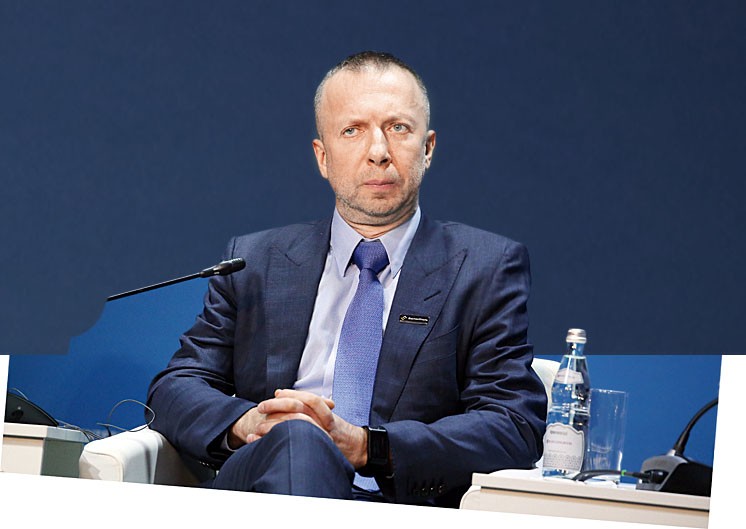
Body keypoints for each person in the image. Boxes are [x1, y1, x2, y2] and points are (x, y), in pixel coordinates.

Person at [146, 51, 547, 508]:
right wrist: (250, 422)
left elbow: (514, 423)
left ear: (428, 148)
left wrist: (369, 446)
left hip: (399, 504)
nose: (378, 152)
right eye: (352, 130)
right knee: (298, 440)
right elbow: (176, 387)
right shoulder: (256, 261)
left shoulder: (484, 267)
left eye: (398, 128)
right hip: (261, 489)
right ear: (322, 157)